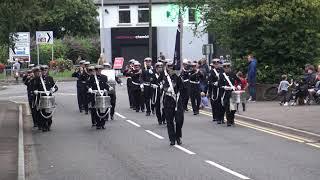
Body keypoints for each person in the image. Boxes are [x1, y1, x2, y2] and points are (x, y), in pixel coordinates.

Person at [163, 60, 184, 145]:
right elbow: (163, 87)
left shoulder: (177, 76)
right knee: (169, 121)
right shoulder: (164, 77)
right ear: (166, 68)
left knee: (179, 120)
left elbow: (182, 87)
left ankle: (178, 136)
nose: (171, 68)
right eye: (169, 66)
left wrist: (179, 77)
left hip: (177, 101)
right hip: (168, 101)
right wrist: (168, 89)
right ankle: (172, 138)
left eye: (172, 66)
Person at [33, 65, 58, 132]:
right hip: (41, 97)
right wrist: (35, 91)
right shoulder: (37, 79)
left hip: (49, 97)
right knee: (41, 112)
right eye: (43, 70)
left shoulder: (50, 78)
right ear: (41, 71)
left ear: (47, 71)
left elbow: (56, 87)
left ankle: (48, 124)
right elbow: (34, 88)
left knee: (48, 112)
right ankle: (43, 126)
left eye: (45, 70)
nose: (44, 72)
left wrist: (54, 89)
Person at [87, 65, 112, 129]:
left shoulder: (104, 77)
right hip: (95, 95)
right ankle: (98, 123)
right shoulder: (92, 77)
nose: (98, 71)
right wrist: (89, 88)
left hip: (102, 94)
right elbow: (88, 84)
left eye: (100, 70)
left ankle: (102, 123)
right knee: (95, 109)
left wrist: (109, 88)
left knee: (103, 109)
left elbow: (105, 85)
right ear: (95, 70)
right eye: (97, 70)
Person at [219, 62, 242, 127]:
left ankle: (232, 118)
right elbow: (219, 85)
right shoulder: (221, 75)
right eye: (225, 68)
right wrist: (224, 87)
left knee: (234, 108)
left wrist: (239, 85)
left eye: (228, 67)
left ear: (229, 68)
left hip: (233, 92)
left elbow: (239, 81)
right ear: (223, 68)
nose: (227, 69)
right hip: (225, 93)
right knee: (227, 107)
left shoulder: (233, 74)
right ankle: (228, 121)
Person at [207, 58, 224, 123]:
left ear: (219, 64)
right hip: (215, 90)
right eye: (215, 64)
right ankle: (218, 118)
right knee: (216, 104)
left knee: (222, 104)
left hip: (222, 89)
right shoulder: (211, 72)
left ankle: (222, 117)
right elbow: (209, 81)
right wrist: (214, 83)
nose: (216, 65)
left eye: (217, 63)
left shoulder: (222, 70)